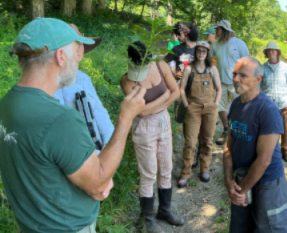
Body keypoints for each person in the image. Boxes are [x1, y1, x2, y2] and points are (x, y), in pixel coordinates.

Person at [0, 17, 146, 233]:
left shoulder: (8, 103)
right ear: (60, 56)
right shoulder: (59, 119)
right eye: (76, 50)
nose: (79, 59)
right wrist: (126, 118)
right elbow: (98, 185)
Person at [223, 56, 287, 232]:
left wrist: (240, 191)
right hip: (241, 180)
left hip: (267, 182)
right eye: (234, 74)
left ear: (258, 79)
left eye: (243, 75)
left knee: (271, 228)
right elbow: (228, 147)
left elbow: (264, 160)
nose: (235, 79)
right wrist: (229, 181)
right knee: (241, 227)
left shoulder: (268, 110)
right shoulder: (235, 105)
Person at [121, 41, 184, 232]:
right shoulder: (127, 80)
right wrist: (164, 98)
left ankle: (164, 210)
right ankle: (147, 218)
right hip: (143, 127)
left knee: (166, 168)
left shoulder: (161, 66)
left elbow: (176, 93)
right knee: (148, 173)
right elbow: (140, 112)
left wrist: (154, 106)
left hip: (163, 122)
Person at [55, 24, 114, 152]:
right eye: (77, 45)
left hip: (98, 148)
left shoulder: (84, 78)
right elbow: (62, 128)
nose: (80, 50)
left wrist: (109, 144)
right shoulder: (55, 82)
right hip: (79, 157)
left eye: (81, 45)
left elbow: (99, 110)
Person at [178, 41, 222, 187]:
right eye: (199, 51)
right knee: (190, 142)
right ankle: (185, 173)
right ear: (195, 53)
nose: (201, 53)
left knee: (207, 140)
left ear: (207, 53)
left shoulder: (212, 69)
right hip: (193, 107)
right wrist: (186, 105)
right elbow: (182, 89)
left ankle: (204, 168)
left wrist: (215, 105)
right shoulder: (189, 69)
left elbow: (219, 89)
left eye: (204, 51)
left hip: (210, 108)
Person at [211, 19, 250, 145]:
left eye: (218, 29)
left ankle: (239, 132)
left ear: (225, 30)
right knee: (220, 107)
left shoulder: (239, 43)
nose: (216, 31)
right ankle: (226, 129)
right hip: (221, 82)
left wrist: (245, 80)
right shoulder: (215, 45)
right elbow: (207, 59)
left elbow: (247, 61)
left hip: (237, 83)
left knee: (239, 108)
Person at [260, 41, 287, 163]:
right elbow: (259, 86)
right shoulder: (262, 67)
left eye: (274, 50)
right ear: (266, 53)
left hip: (283, 103)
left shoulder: (285, 67)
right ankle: (271, 152)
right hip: (268, 105)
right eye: (269, 50)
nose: (271, 52)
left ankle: (286, 151)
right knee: (269, 129)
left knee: (285, 129)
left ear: (278, 52)